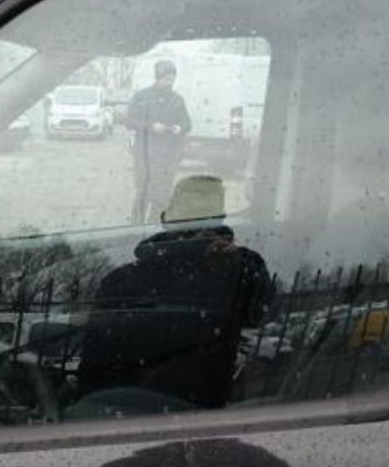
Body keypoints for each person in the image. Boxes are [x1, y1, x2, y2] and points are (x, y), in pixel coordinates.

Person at [76, 175, 274, 413]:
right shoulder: (122, 280)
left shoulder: (240, 268)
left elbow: (262, 315)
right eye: (190, 208)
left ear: (165, 219)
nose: (196, 225)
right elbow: (95, 365)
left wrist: (236, 267)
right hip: (130, 409)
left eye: (205, 210)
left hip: (150, 414)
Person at [125, 59, 192, 222]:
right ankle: (136, 225)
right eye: (166, 79)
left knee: (163, 193)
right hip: (145, 154)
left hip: (169, 155)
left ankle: (154, 225)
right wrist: (150, 126)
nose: (170, 83)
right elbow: (129, 121)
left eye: (172, 79)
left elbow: (187, 123)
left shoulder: (177, 99)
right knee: (144, 190)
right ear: (157, 77)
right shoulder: (141, 96)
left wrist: (179, 128)